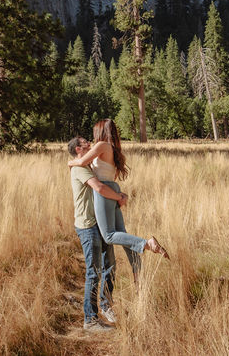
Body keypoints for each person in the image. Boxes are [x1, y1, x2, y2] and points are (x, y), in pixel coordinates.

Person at [67, 119, 169, 285]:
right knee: (123, 234)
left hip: (105, 191)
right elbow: (111, 176)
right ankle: (137, 271)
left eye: (94, 132)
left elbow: (81, 162)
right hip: (113, 186)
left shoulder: (101, 145)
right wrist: (118, 194)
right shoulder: (114, 150)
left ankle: (147, 244)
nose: (91, 138)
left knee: (109, 236)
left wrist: (69, 163)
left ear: (100, 131)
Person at [68, 135, 124, 331]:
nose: (89, 143)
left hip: (100, 224)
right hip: (88, 226)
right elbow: (99, 188)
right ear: (78, 149)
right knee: (94, 272)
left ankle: (106, 305)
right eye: (84, 142)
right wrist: (118, 197)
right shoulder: (80, 169)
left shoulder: (88, 166)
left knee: (110, 266)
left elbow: (107, 180)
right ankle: (90, 319)